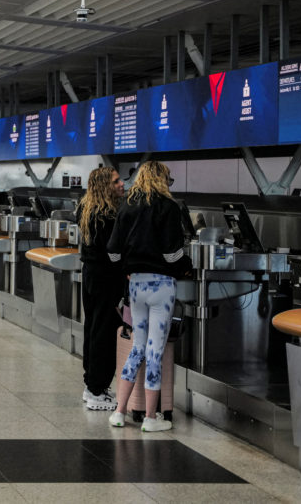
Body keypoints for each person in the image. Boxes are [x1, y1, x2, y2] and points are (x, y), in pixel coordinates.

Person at [107, 161, 191, 432]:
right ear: (163, 180)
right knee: (155, 351)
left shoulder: (127, 206)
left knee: (137, 348)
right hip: (162, 288)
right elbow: (171, 255)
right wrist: (185, 264)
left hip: (136, 287)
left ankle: (119, 412)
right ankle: (151, 418)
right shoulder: (168, 208)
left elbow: (113, 252)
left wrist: (128, 269)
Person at [76, 166, 125, 411]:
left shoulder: (86, 208)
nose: (121, 184)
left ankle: (92, 385)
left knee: (93, 329)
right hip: (107, 278)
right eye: (116, 181)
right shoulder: (106, 215)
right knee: (105, 333)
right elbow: (113, 252)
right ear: (105, 185)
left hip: (91, 275)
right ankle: (97, 389)